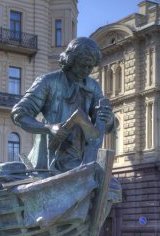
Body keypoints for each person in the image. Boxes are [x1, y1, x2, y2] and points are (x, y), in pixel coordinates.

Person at [11, 37, 115, 172]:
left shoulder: (93, 87)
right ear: (70, 60)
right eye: (83, 64)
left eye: (91, 66)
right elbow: (19, 113)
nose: (87, 70)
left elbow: (102, 124)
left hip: (81, 158)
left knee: (113, 189)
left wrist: (108, 118)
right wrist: (48, 128)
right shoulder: (48, 81)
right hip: (50, 158)